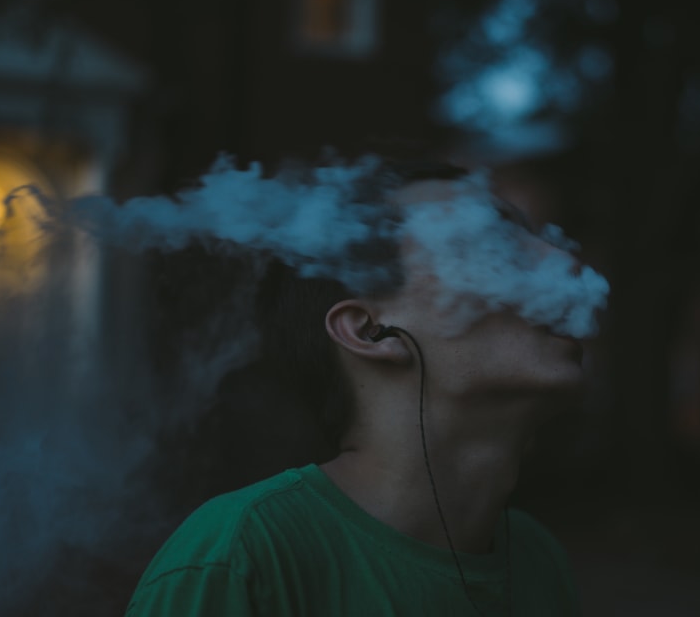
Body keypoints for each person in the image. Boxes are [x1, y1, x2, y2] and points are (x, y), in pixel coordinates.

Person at [125, 160, 596, 616]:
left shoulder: (537, 558)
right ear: (370, 331)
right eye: (492, 240)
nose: (564, 260)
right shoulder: (243, 556)